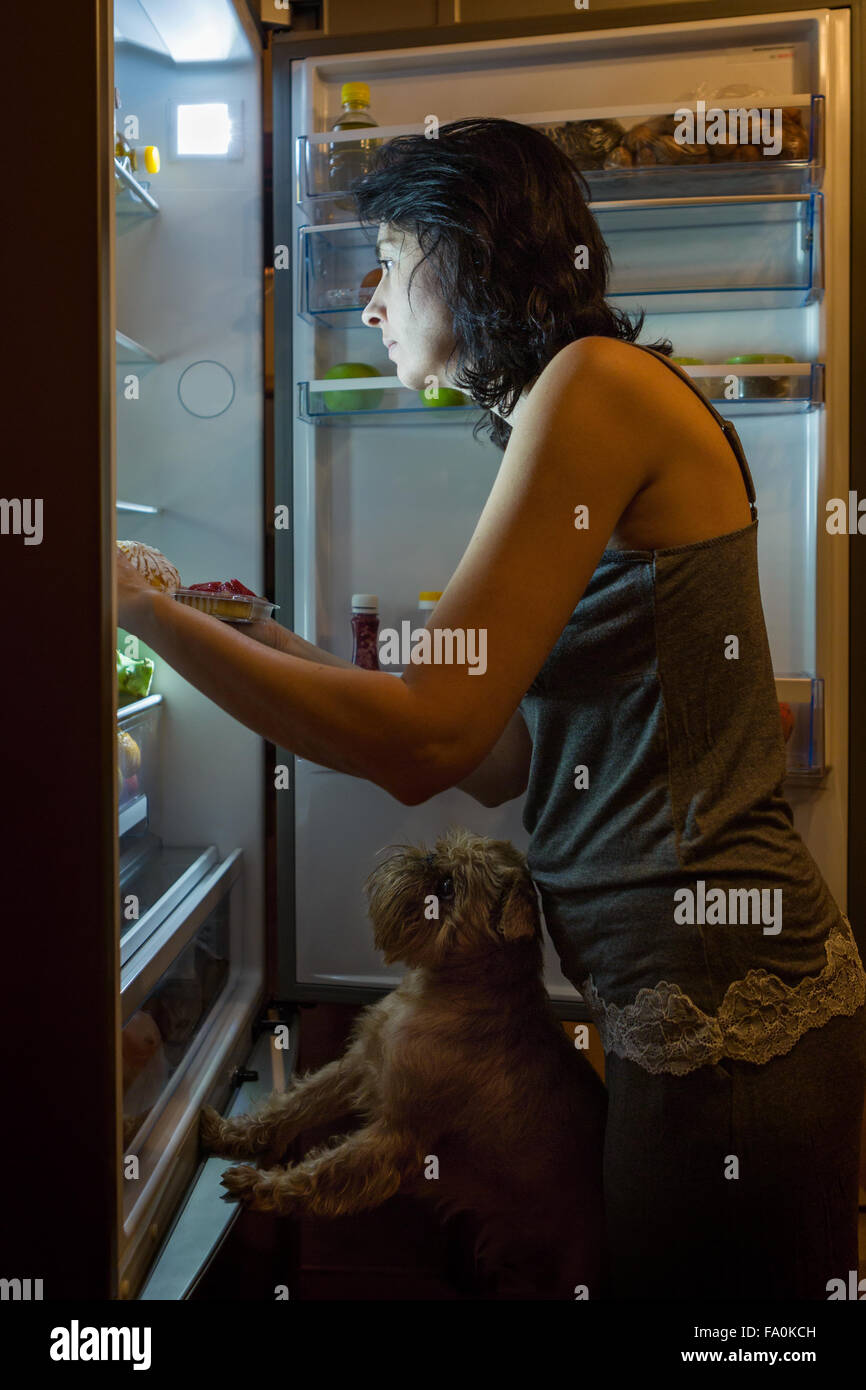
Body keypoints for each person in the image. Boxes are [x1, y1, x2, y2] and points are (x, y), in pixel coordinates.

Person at [117, 117, 866, 1301]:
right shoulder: (569, 406)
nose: (366, 304)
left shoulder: (593, 387)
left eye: (386, 261)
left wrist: (137, 612)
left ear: (464, 248)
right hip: (679, 991)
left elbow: (429, 742)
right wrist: (256, 634)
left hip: (733, 1005)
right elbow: (502, 758)